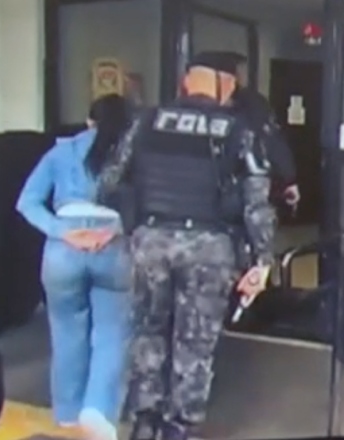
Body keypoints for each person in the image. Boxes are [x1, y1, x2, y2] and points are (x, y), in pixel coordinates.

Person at [96, 52, 277, 440]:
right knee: (195, 344)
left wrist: (134, 224)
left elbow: (109, 180)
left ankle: (145, 422)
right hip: (209, 249)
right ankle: (180, 427)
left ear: (185, 82)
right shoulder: (238, 129)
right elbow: (257, 202)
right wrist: (262, 260)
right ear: (224, 85)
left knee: (148, 332)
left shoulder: (146, 121)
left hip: (150, 242)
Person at [16, 94, 133, 440]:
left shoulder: (60, 152)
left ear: (89, 121)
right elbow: (144, 205)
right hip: (114, 246)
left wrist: (62, 232)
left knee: (66, 332)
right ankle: (98, 410)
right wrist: (114, 230)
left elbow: (27, 202)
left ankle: (67, 415)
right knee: (112, 333)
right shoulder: (131, 153)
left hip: (63, 250)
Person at [223, 51, 300, 211]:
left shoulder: (192, 106)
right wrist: (288, 179)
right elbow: (271, 139)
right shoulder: (252, 103)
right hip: (244, 185)